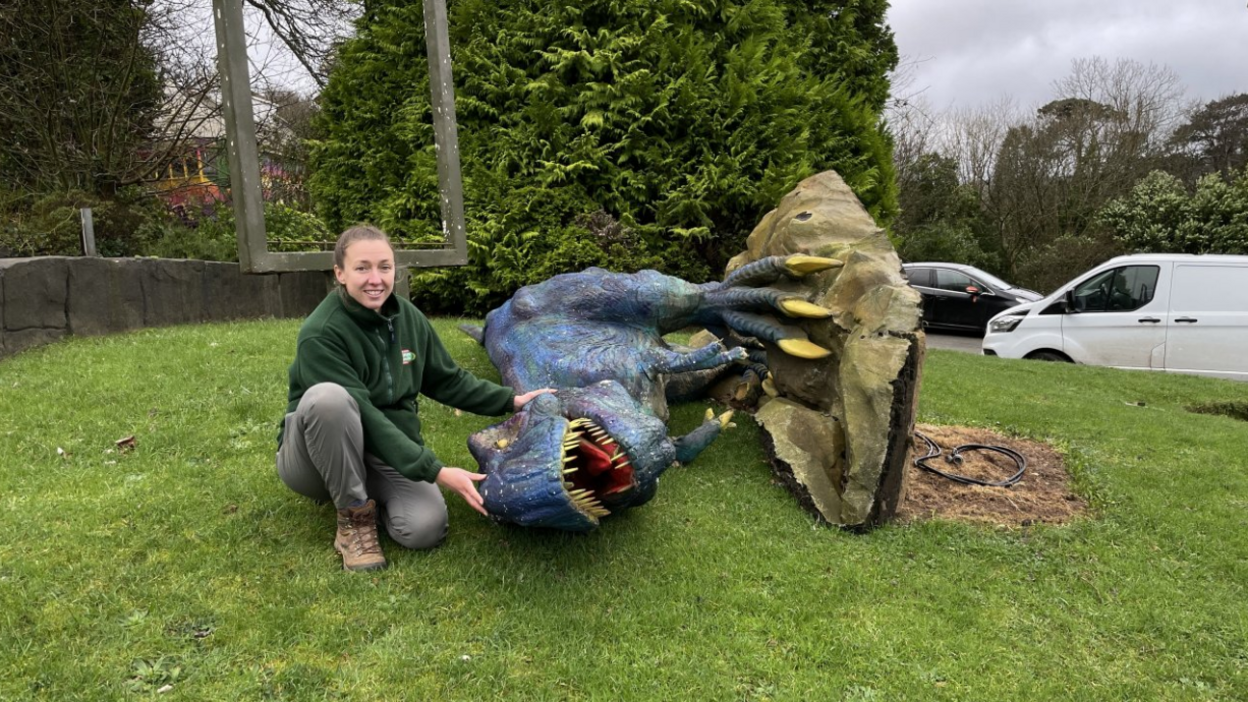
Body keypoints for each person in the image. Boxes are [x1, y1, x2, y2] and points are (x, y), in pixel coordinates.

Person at [276, 224, 552, 571]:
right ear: (340, 274)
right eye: (362, 268)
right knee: (329, 399)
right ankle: (353, 519)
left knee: (424, 528)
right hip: (313, 457)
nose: (375, 278)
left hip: (380, 451)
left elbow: (447, 380)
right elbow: (365, 414)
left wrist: (512, 401)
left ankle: (363, 490)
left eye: (384, 267)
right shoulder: (321, 333)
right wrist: (435, 470)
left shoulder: (407, 318)